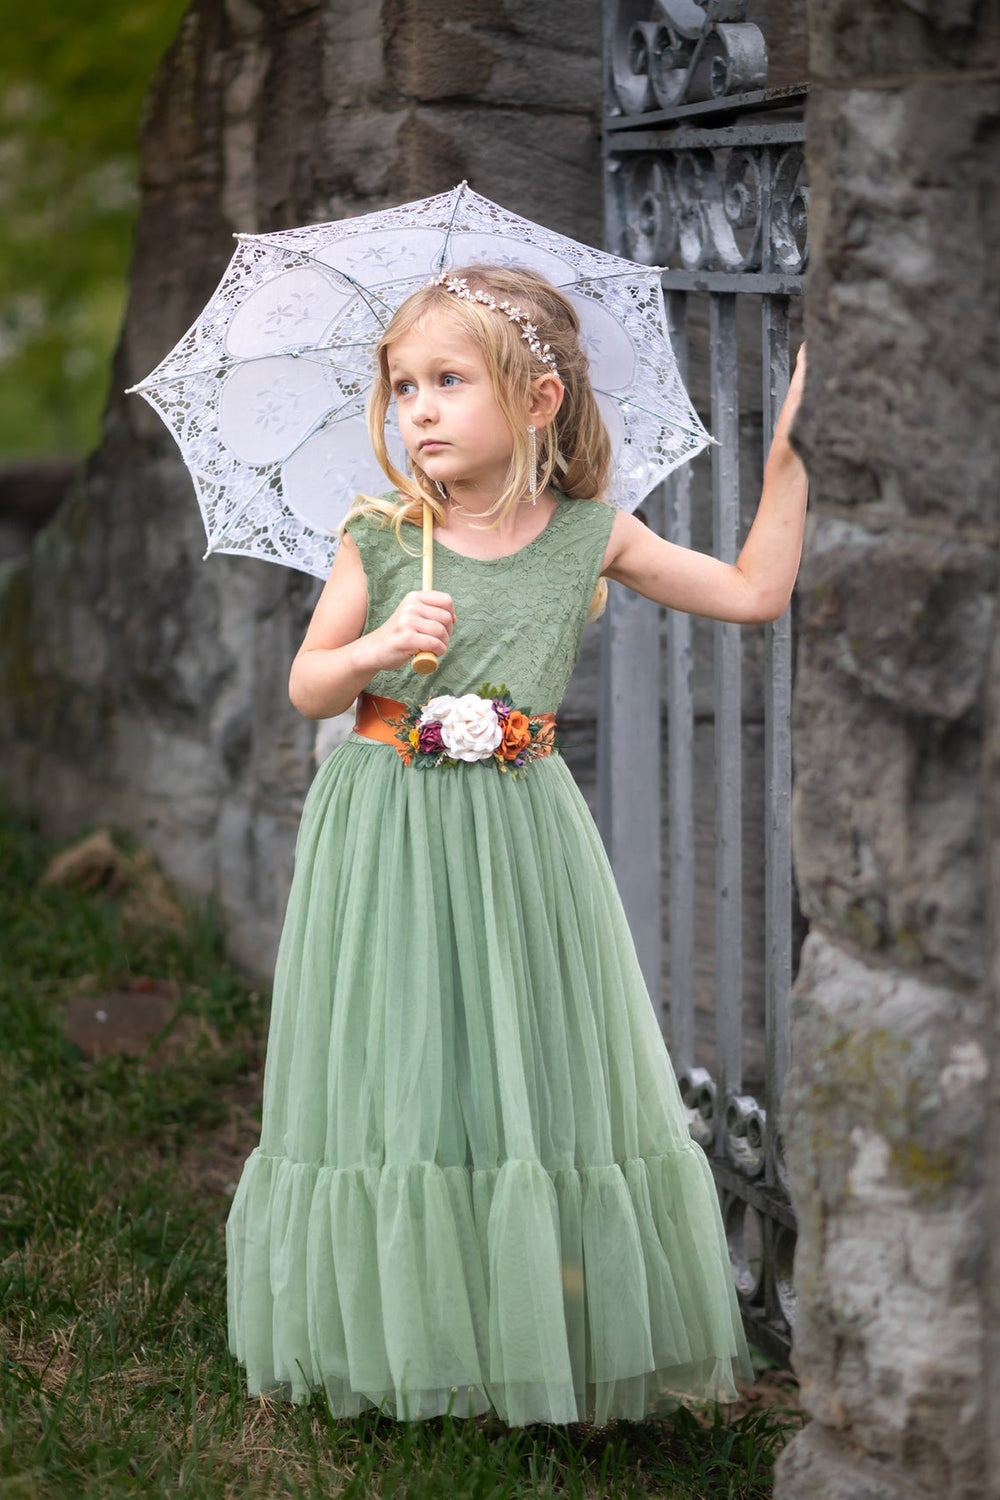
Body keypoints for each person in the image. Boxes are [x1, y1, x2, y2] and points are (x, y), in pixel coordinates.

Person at [226, 265, 808, 1427]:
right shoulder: (385, 535)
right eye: (402, 389)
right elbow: (306, 685)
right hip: (385, 821)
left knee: (517, 1045)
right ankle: (400, 1326)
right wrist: (380, 643)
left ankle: (532, 1321)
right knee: (403, 1054)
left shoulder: (589, 536)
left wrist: (793, 451)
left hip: (519, 832)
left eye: (448, 381)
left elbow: (751, 594)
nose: (418, 412)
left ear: (537, 402)